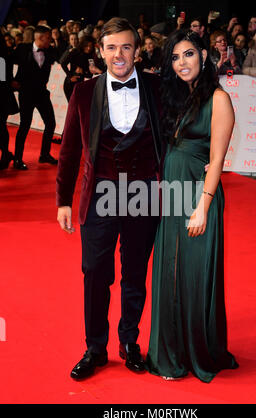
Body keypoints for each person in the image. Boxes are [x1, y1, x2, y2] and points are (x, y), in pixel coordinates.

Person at [56, 17, 161, 380]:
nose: (119, 54)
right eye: (112, 47)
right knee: (95, 274)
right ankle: (95, 347)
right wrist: (63, 201)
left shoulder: (156, 87)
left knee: (135, 274)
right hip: (99, 194)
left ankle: (129, 342)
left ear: (138, 50)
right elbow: (69, 150)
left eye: (126, 46)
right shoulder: (84, 92)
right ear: (100, 52)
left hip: (144, 194)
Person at [146, 29, 238, 382]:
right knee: (169, 275)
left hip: (200, 198)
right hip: (172, 196)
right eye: (175, 57)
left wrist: (203, 206)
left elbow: (216, 160)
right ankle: (171, 353)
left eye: (188, 54)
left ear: (203, 54)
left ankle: (199, 351)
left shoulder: (218, 99)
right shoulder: (177, 97)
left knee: (194, 278)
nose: (182, 62)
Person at [12, 25, 58, 169]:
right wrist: (7, 80)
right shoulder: (22, 49)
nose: (50, 40)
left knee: (50, 123)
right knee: (24, 125)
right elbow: (3, 61)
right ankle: (17, 160)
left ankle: (44, 154)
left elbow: (64, 57)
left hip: (42, 93)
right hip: (26, 93)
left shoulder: (50, 51)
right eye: (48, 38)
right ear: (40, 37)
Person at [0, 33, 19, 169]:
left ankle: (5, 154)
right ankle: (5, 153)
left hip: (2, 97)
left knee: (1, 126)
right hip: (3, 95)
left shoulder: (2, 58)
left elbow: (2, 79)